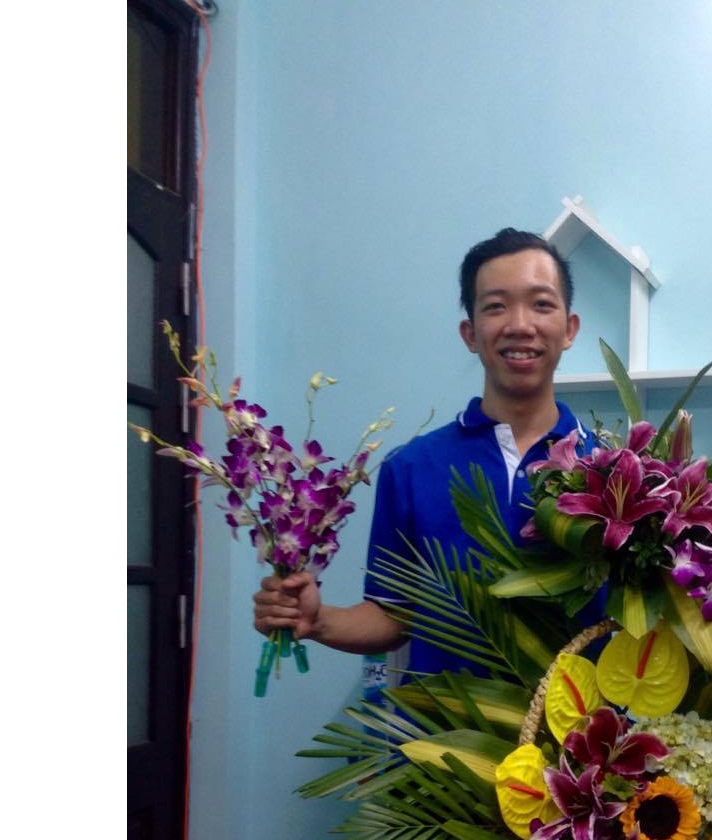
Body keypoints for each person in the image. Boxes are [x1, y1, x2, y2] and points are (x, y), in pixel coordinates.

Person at [252, 227, 593, 678]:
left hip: (580, 724)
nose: (519, 325)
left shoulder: (612, 474)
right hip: (445, 722)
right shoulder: (412, 467)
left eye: (541, 304)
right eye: (495, 306)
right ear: (469, 333)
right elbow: (393, 614)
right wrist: (316, 620)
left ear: (569, 329)